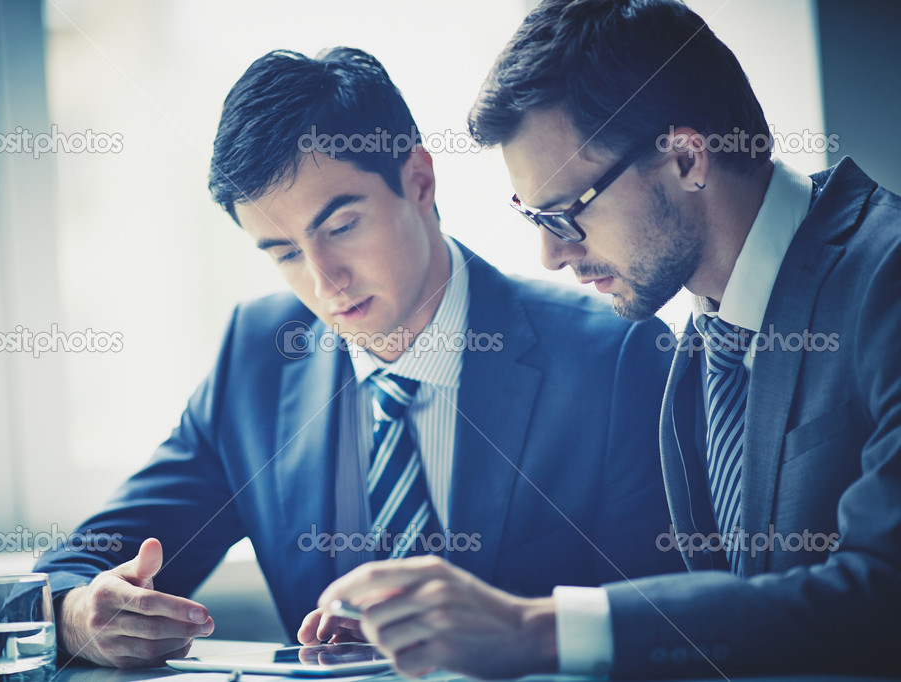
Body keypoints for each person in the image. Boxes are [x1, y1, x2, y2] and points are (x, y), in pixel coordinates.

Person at [33, 46, 683, 668]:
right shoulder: (254, 363)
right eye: (284, 252)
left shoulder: (615, 357)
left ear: (420, 181)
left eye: (340, 227)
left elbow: (679, 627)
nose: (324, 282)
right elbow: (75, 567)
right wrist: (78, 615)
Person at [317, 1, 901, 678]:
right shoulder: (699, 341)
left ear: (685, 157)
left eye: (564, 213)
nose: (548, 255)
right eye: (532, 217)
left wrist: (537, 629)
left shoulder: (885, 280)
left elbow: (882, 597)